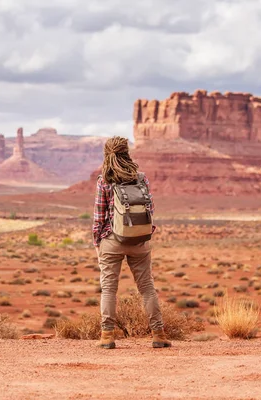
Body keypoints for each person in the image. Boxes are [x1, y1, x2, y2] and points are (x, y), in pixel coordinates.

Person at [92, 136, 171, 349]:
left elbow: (99, 216)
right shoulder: (141, 178)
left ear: (107, 154)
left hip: (111, 240)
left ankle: (107, 336)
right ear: (127, 152)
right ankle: (158, 334)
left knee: (109, 288)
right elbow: (150, 210)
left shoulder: (104, 181)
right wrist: (146, 233)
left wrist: (98, 243)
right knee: (147, 288)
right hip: (140, 240)